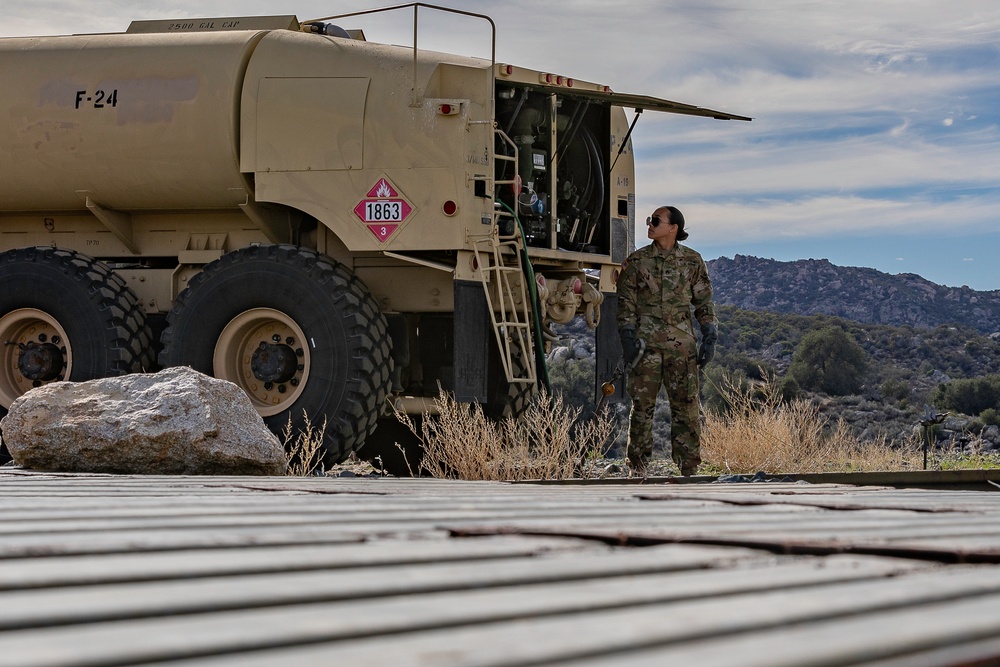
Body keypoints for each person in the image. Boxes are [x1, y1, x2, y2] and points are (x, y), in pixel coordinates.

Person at [615, 205, 717, 477]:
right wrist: (627, 338)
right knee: (642, 409)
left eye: (656, 221)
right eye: (650, 220)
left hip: (682, 348)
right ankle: (637, 470)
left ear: (673, 228)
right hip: (645, 348)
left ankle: (688, 469)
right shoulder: (636, 263)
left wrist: (710, 335)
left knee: (686, 407)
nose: (650, 224)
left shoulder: (692, 261)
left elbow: (703, 302)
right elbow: (625, 305)